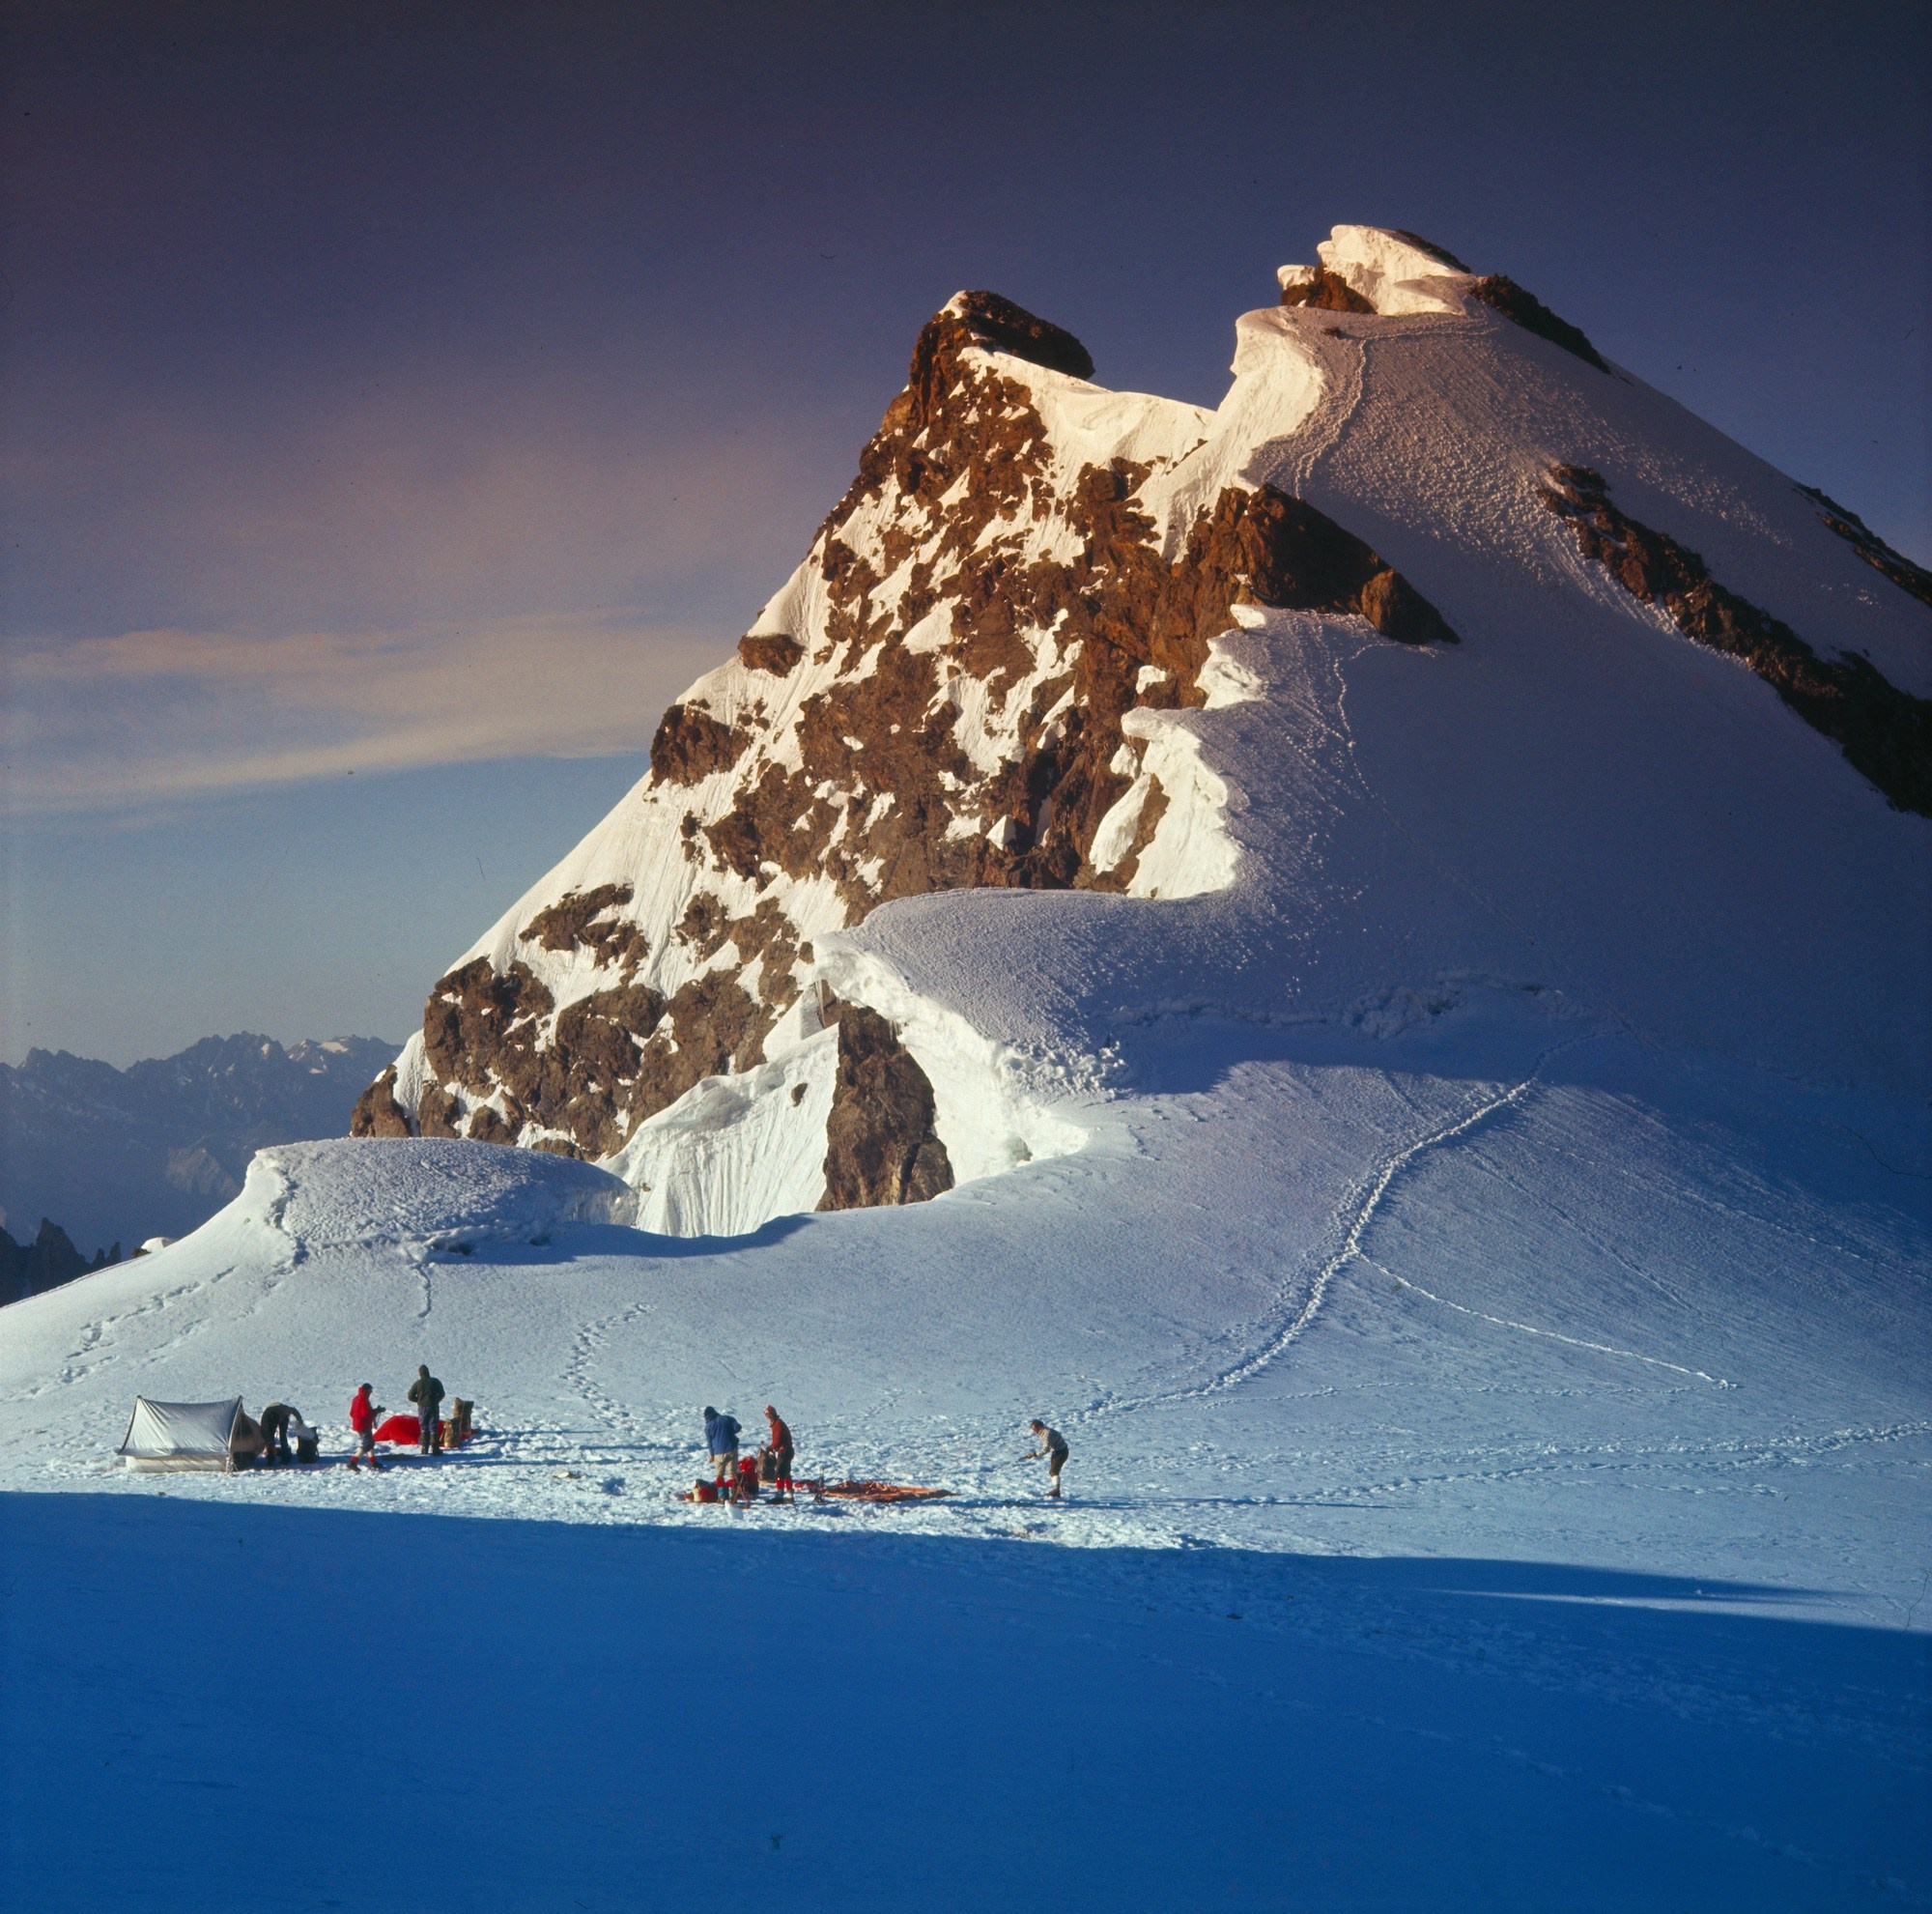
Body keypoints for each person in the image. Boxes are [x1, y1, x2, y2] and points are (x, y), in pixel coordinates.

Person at [407, 1365, 446, 1455]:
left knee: (424, 1427)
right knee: (433, 1427)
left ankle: (425, 1448)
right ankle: (435, 1449)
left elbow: (410, 1396)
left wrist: (419, 1401)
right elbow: (442, 1393)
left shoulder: (418, 1383)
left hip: (422, 1408)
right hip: (433, 1406)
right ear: (428, 1372)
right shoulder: (435, 1381)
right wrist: (436, 1400)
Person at [1027, 1419, 1069, 1500]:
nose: (1033, 1431)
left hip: (1061, 1452)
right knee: (1052, 1471)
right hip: (1057, 1451)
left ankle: (1056, 1491)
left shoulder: (1047, 1434)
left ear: (1039, 1427)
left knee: (1054, 1471)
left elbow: (1046, 1449)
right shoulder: (1044, 1432)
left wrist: (1034, 1454)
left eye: (1034, 1429)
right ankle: (1056, 1490)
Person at [348, 1384, 384, 1471]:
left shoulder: (356, 1398)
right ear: (367, 1391)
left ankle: (373, 1462)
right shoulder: (364, 1400)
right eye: (370, 1391)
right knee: (368, 1444)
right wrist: (377, 1411)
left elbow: (352, 1413)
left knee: (370, 1442)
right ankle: (353, 1462)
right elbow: (367, 1414)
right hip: (363, 1425)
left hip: (359, 1424)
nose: (371, 1393)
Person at [702, 1406, 741, 1485]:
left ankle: (722, 1492)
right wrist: (730, 1431)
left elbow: (709, 1443)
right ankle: (732, 1490)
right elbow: (737, 1427)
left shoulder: (707, 1427)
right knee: (732, 1474)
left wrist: (712, 1455)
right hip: (732, 1449)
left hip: (718, 1453)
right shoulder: (727, 1418)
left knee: (719, 1475)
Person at [765, 1404, 795, 1502]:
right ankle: (789, 1493)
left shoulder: (777, 1425)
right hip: (788, 1450)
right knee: (786, 1472)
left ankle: (779, 1495)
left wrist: (770, 1448)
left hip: (784, 1451)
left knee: (779, 1473)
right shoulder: (778, 1423)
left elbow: (777, 1440)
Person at [258, 1402, 297, 1466]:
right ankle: (270, 1459)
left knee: (283, 1436)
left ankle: (285, 1459)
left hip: (283, 1417)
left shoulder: (285, 1410)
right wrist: (270, 1442)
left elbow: (294, 1410)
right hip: (273, 1417)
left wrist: (299, 1419)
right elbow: (265, 1432)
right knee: (270, 1436)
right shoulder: (265, 1419)